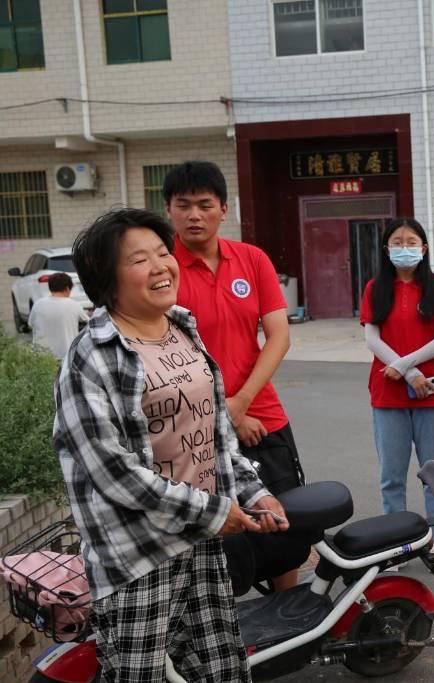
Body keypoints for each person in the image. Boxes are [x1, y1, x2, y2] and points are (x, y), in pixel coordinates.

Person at [55, 208, 287, 681]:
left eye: (163, 252)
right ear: (106, 277)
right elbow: (114, 474)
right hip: (139, 557)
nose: (162, 265)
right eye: (140, 259)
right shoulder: (91, 357)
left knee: (220, 669)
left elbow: (216, 432)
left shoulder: (182, 328)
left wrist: (251, 491)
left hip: (201, 543)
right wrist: (214, 511)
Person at [164, 161, 306, 590]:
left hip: (264, 413)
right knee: (217, 536)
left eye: (204, 205)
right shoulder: (161, 269)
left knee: (281, 520)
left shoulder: (252, 259)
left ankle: (289, 620)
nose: (194, 215)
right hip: (192, 426)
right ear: (168, 210)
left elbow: (279, 336)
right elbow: (166, 352)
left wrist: (241, 402)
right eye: (183, 205)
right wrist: (225, 415)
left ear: (224, 209)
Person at [361, 217, 434, 571]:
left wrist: (407, 367)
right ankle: (395, 544)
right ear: (386, 249)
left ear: (424, 247)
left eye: (411, 241)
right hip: (388, 393)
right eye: (397, 242)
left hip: (431, 394)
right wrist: (407, 371)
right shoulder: (375, 288)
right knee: (392, 475)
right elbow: (371, 338)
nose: (405, 248)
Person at [27, 271, 88, 358]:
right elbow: (89, 323)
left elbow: (30, 324)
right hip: (65, 356)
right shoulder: (74, 305)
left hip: (40, 357)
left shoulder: (38, 304)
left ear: (50, 288)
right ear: (67, 289)